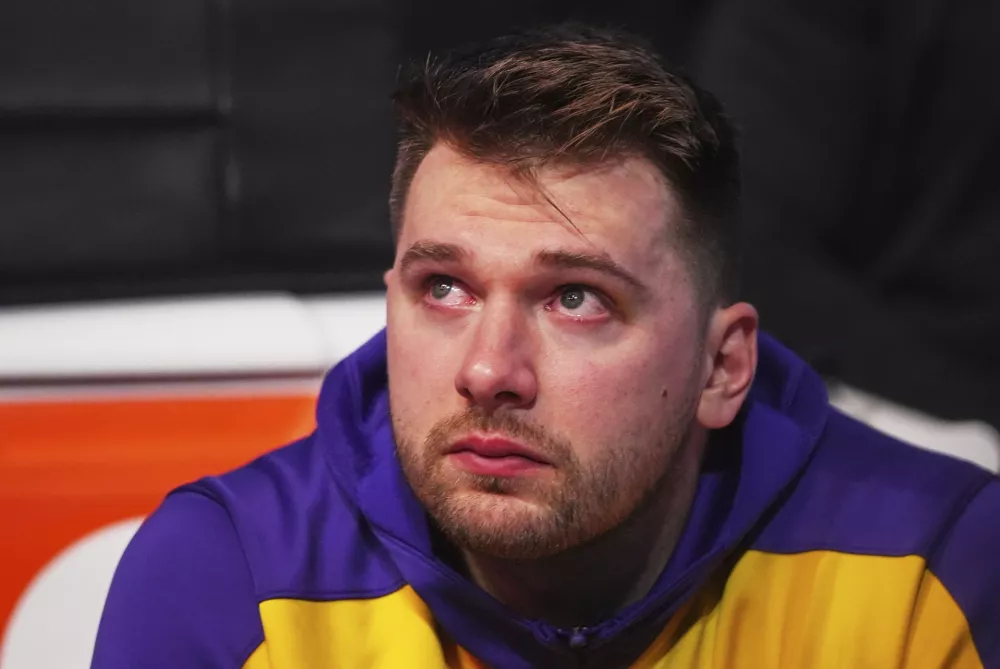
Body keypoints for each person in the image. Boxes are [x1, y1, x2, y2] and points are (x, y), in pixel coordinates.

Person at [91, 25, 1000, 669]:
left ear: (723, 367)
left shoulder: (939, 569)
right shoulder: (231, 575)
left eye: (575, 299)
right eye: (442, 287)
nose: (487, 371)